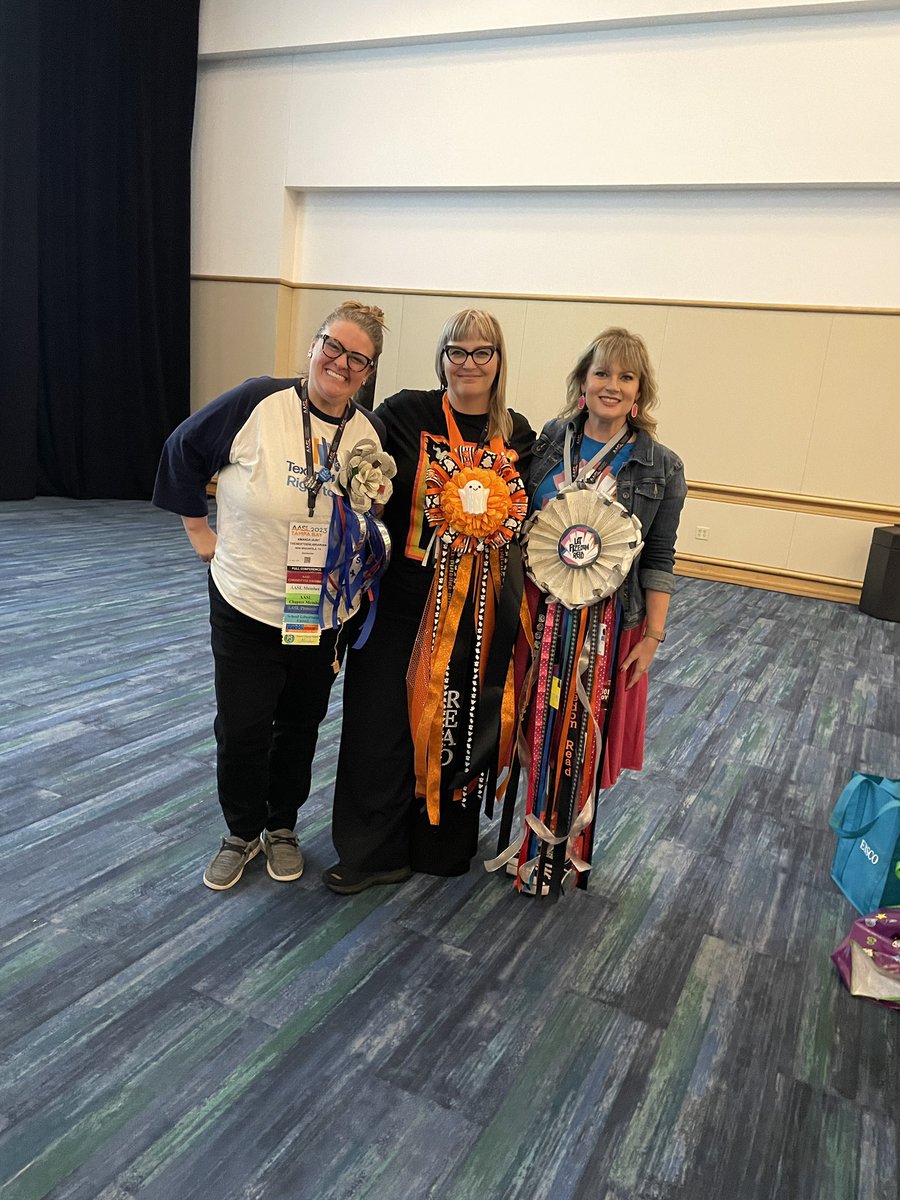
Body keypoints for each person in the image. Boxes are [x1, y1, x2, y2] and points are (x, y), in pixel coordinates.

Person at [153, 301, 393, 890]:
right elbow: (182, 450)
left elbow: (371, 512)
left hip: (320, 609)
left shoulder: (370, 433)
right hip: (247, 600)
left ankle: (281, 826)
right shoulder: (258, 401)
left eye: (358, 358)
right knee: (243, 726)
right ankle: (240, 831)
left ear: (368, 372)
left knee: (301, 723)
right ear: (313, 346)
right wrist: (199, 532)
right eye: (332, 346)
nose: (340, 363)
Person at [326, 309, 535, 894]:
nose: (469, 363)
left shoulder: (518, 434)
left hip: (476, 612)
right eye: (456, 351)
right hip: (399, 602)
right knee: (379, 721)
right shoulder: (403, 413)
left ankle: (441, 843)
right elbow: (355, 460)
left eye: (482, 352)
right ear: (441, 359)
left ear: (498, 361)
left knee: (458, 724)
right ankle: (371, 851)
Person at [508, 326, 687, 896]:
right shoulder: (548, 441)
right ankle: (531, 843)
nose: (612, 385)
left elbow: (659, 556)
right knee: (535, 723)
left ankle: (564, 846)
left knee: (583, 731)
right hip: (539, 616)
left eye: (626, 376)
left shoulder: (660, 465)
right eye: (602, 372)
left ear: (640, 391)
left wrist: (653, 636)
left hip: (608, 625)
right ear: (582, 381)